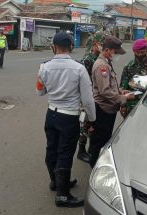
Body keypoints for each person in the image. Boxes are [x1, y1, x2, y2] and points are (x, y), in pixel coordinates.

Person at [36, 32, 96, 208]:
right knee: (65, 153)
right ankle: (62, 196)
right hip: (69, 116)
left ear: (54, 47)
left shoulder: (44, 67)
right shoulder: (79, 68)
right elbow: (87, 99)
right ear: (71, 47)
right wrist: (91, 119)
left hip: (51, 114)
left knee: (52, 148)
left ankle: (56, 182)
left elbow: (39, 91)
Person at [89, 35, 135, 168]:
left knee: (103, 137)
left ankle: (96, 162)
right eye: (115, 52)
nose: (117, 55)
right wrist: (124, 98)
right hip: (103, 109)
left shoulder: (106, 63)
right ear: (108, 50)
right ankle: (95, 166)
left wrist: (120, 91)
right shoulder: (101, 66)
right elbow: (105, 91)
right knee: (100, 139)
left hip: (107, 108)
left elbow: (110, 86)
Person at [77, 32, 105, 163]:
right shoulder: (88, 59)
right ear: (95, 44)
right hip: (86, 98)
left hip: (95, 97)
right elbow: (83, 82)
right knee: (85, 124)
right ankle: (81, 151)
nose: (102, 47)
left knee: (92, 125)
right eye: (101, 44)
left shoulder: (99, 58)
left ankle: (89, 149)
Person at [120, 39, 147, 118]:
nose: (139, 55)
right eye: (137, 52)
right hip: (131, 106)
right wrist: (123, 105)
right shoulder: (128, 67)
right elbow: (122, 88)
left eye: (142, 52)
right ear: (134, 52)